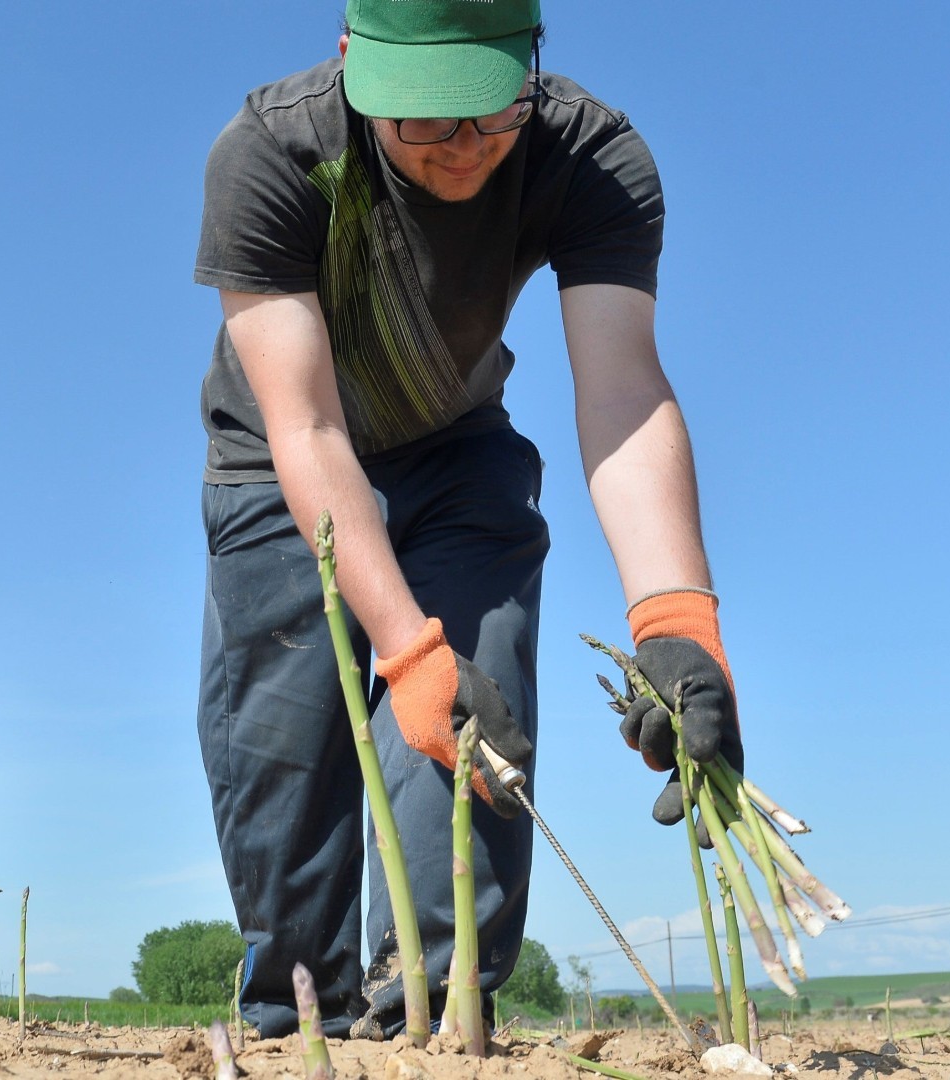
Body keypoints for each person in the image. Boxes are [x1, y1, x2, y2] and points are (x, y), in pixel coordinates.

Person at [193, 0, 745, 1039]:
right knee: (283, 765)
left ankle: (439, 1012)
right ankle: (294, 1016)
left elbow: (624, 392)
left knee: (474, 714)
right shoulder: (272, 152)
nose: (465, 149)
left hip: (454, 448)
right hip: (277, 471)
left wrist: (678, 622)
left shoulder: (590, 156)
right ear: (358, 67)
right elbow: (305, 428)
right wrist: (402, 649)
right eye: (428, 121)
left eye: (492, 114)